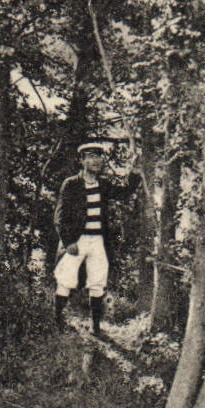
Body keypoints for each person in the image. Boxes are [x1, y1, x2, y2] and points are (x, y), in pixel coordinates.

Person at [53, 141, 141, 337]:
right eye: (91, 157)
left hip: (98, 240)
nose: (96, 161)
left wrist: (134, 172)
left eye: (99, 156)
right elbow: (60, 216)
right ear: (82, 160)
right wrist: (68, 243)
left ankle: (96, 327)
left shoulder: (103, 185)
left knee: (98, 280)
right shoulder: (71, 184)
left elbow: (124, 193)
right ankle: (57, 322)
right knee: (66, 278)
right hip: (76, 241)